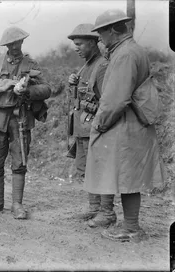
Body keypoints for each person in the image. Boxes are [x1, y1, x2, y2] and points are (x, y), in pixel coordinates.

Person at [85, 9, 164, 242]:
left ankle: (131, 228)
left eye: (101, 33)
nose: (100, 38)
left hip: (126, 123)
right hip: (131, 122)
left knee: (128, 177)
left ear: (112, 30)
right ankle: (130, 225)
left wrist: (99, 124)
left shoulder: (125, 54)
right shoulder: (130, 50)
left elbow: (116, 99)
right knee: (129, 176)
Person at [0, 26, 52, 219]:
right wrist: (1, 87)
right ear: (7, 46)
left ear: (22, 43)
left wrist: (27, 91)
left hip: (20, 120)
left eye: (18, 42)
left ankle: (17, 204)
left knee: (19, 163)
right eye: (11, 44)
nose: (15, 46)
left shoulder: (31, 63)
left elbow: (46, 89)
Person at [67, 24, 116, 228]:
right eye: (74, 45)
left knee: (101, 169)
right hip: (83, 128)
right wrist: (72, 84)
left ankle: (107, 212)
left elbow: (108, 101)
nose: (76, 48)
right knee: (87, 169)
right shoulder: (86, 66)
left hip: (97, 128)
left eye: (79, 44)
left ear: (92, 42)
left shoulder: (102, 66)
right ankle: (94, 207)